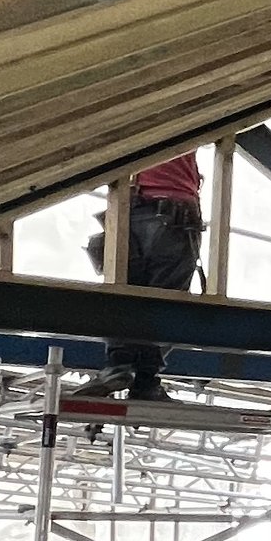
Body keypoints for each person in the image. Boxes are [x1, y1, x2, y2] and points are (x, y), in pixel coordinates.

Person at [85, 151, 204, 399]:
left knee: (122, 293)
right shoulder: (183, 118)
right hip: (174, 213)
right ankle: (146, 381)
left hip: (131, 210)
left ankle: (119, 367)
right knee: (165, 302)